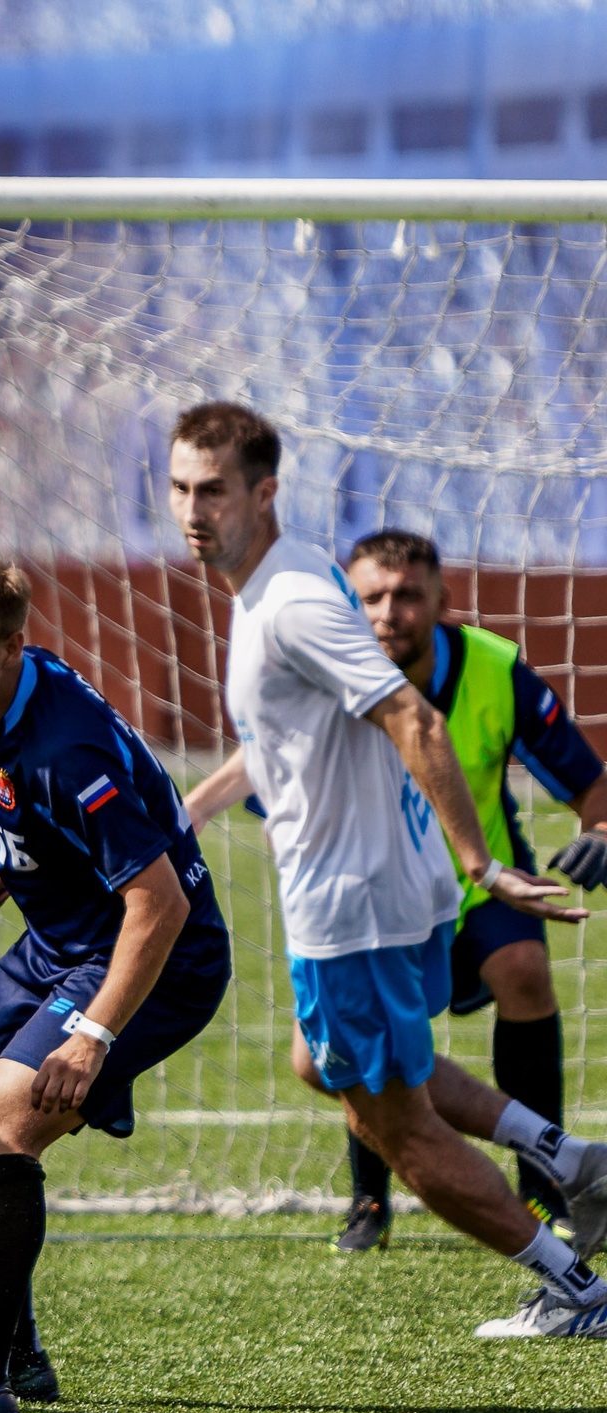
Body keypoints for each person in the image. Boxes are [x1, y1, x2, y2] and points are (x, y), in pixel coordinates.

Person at [169, 402, 607, 1338]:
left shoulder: (289, 600)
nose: (193, 509)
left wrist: (484, 863)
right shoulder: (282, 586)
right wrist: (185, 814)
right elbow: (289, 738)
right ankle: (571, 1161)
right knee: (337, 1067)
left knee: (396, 1127)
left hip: (353, 902)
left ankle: (579, 1288)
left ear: (264, 492)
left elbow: (418, 720)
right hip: (389, 894)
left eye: (214, 489)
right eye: (179, 488)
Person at [0, 553, 233, 1413]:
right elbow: (36, 797)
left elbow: (161, 900)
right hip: (60, 940)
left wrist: (94, 1034)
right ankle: (16, 1348)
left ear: (12, 649)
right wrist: (13, 852)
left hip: (150, 956)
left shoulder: (65, 750)